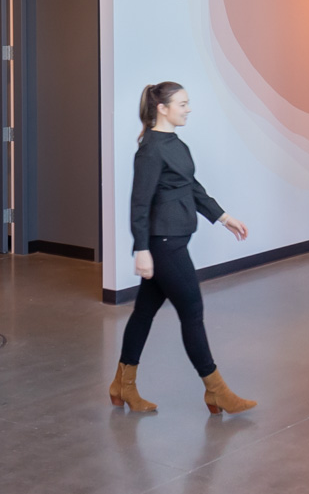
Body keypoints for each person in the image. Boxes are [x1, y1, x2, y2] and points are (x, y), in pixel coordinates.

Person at [108, 82, 258, 416]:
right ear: (162, 108)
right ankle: (216, 392)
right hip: (163, 245)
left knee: (144, 312)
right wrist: (141, 249)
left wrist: (222, 216)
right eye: (182, 103)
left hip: (172, 240)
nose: (188, 108)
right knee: (192, 312)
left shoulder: (176, 144)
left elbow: (192, 187)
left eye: (188, 103)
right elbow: (139, 203)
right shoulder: (150, 150)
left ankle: (122, 386)